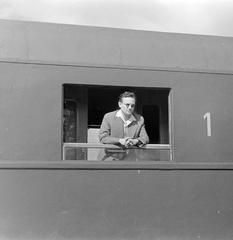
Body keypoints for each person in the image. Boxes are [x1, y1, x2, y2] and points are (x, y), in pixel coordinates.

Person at [98, 91, 149, 161]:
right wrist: (120, 141)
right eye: (127, 105)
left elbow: (145, 138)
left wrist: (135, 141)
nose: (130, 107)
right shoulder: (108, 117)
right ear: (120, 104)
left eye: (132, 105)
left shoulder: (139, 119)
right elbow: (103, 137)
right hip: (109, 158)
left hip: (130, 160)